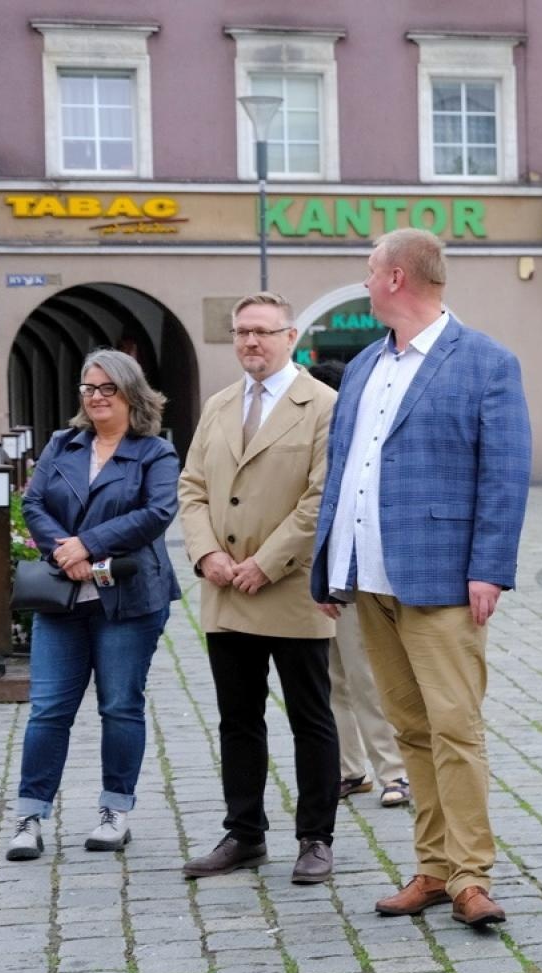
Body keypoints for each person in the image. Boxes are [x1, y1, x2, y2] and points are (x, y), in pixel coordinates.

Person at [312, 228, 531, 928]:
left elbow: (505, 475)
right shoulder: (363, 366)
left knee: (454, 728)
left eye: (370, 269)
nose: (366, 281)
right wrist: (329, 564)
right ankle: (433, 868)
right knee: (409, 728)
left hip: (443, 578)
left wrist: (489, 568)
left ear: (398, 277)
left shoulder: (487, 362)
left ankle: (471, 875)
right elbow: (341, 472)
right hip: (369, 578)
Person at [177, 292, 340, 885]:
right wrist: (207, 554)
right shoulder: (220, 405)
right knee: (237, 719)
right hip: (226, 589)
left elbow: (322, 497)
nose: (251, 341)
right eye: (243, 331)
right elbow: (192, 487)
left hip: (290, 587)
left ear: (290, 337)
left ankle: (316, 838)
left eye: (263, 332)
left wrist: (266, 563)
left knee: (310, 718)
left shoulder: (323, 405)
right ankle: (244, 833)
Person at [7, 349, 180, 861]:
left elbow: (158, 512)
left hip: (129, 599)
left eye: (108, 388)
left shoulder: (155, 453)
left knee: (120, 705)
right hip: (62, 597)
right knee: (48, 709)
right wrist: (66, 550)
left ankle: (114, 811)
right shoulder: (63, 444)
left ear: (131, 393)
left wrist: (88, 544)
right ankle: (30, 815)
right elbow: (33, 502)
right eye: (89, 388)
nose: (97, 397)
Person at [306, 358, 409, 809]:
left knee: (364, 674)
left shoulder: (356, 439)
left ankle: (394, 771)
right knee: (330, 678)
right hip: (307, 572)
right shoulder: (311, 436)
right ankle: (350, 768)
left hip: (345, 571)